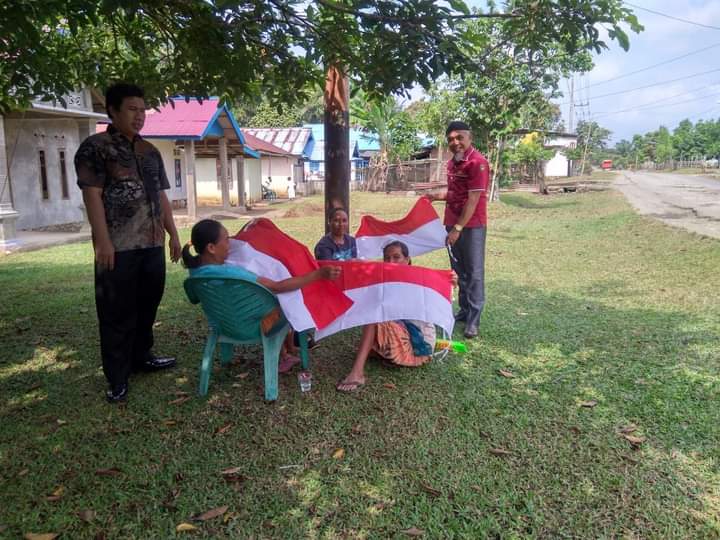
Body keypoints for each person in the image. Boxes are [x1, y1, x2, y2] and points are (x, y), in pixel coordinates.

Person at [75, 83, 181, 403]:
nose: (139, 116)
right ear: (113, 110)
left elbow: (161, 195)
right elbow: (92, 195)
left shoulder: (150, 151)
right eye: (132, 109)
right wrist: (102, 242)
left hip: (151, 243)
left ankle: (141, 357)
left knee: (148, 304)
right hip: (117, 247)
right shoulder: (95, 148)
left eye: (142, 110)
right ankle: (117, 376)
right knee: (116, 312)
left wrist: (173, 233)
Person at [182, 219, 341, 371]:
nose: (230, 243)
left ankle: (286, 351)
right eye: (226, 239)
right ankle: (287, 353)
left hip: (222, 325)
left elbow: (194, 298)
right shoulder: (234, 273)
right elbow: (277, 286)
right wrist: (317, 275)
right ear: (211, 248)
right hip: (254, 326)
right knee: (285, 301)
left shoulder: (194, 274)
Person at [336, 241, 436, 393]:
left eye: (396, 257)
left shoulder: (417, 281)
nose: (391, 262)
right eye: (387, 258)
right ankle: (376, 352)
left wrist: (451, 280)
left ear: (407, 260)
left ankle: (357, 373)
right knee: (373, 311)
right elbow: (370, 275)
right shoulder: (387, 280)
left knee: (374, 316)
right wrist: (358, 266)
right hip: (401, 333)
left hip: (418, 345)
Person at [426, 121, 489, 339]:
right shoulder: (453, 163)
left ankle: (474, 319)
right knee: (458, 270)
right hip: (451, 222)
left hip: (471, 226)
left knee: (474, 272)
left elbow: (473, 200)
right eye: (451, 139)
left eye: (459, 137)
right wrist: (435, 196)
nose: (455, 142)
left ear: (469, 137)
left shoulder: (477, 163)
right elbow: (456, 194)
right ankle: (464, 310)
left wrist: (458, 229)